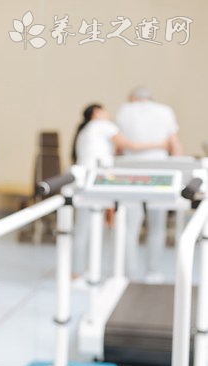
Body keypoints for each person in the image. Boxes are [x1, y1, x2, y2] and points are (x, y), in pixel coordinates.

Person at [70, 103, 167, 281]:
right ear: (96, 112)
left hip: (83, 179)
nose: (109, 113)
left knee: (82, 229)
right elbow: (129, 145)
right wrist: (160, 145)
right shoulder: (103, 125)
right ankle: (120, 273)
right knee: (119, 223)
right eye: (105, 110)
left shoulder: (85, 130)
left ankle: (77, 273)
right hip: (97, 180)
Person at [116, 86, 182, 282]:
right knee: (157, 225)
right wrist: (179, 172)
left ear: (134, 98)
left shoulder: (124, 110)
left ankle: (128, 273)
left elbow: (119, 147)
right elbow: (174, 144)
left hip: (130, 172)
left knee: (129, 226)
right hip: (159, 172)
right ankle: (153, 272)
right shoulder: (165, 111)